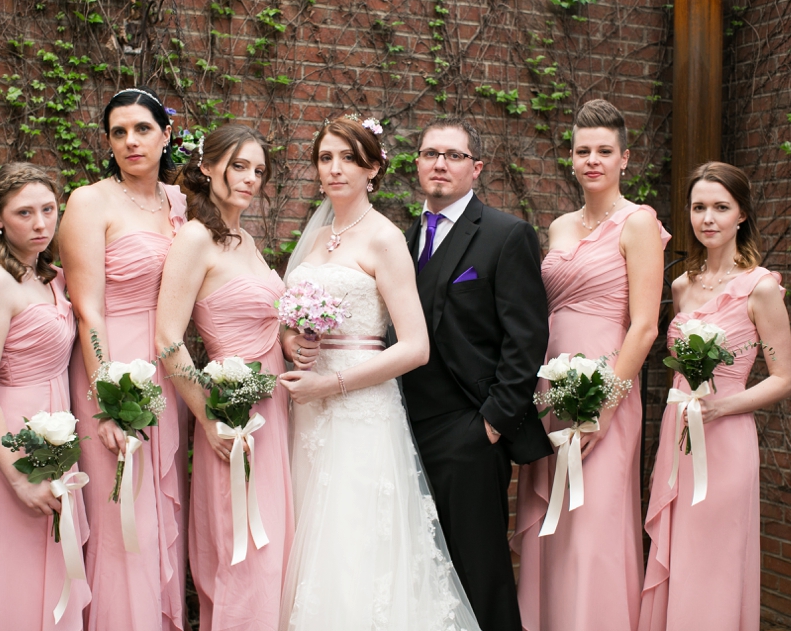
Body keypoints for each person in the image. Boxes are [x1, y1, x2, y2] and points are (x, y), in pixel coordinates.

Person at [278, 116, 482, 630]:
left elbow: (416, 347)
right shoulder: (318, 235)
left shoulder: (385, 238)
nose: (335, 169)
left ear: (373, 168)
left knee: (354, 540)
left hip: (360, 410)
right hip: (308, 411)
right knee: (310, 534)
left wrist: (333, 383)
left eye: (348, 158)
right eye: (325, 158)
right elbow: (286, 318)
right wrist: (293, 342)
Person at [511, 99, 670, 631]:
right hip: (552, 390)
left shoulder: (639, 222)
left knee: (594, 522)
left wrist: (602, 406)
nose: (593, 160)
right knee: (553, 528)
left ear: (626, 158)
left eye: (605, 150)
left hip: (607, 391)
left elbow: (645, 325)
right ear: (571, 159)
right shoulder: (558, 227)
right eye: (583, 151)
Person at [399, 118, 552, 631]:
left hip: (468, 430)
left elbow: (526, 338)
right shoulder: (405, 238)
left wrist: (491, 424)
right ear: (417, 164)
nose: (440, 164)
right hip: (401, 432)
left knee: (478, 571)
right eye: (429, 154)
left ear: (476, 168)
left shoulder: (507, 236)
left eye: (454, 155)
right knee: (420, 570)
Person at [639, 162, 791, 631]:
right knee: (680, 553)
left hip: (725, 440)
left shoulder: (761, 288)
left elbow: (783, 377)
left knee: (716, 559)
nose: (708, 218)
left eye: (720, 207)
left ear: (741, 214)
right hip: (678, 436)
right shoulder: (681, 287)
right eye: (699, 207)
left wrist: (722, 406)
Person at [155, 124, 293, 630]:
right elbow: (169, 340)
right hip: (232, 418)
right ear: (208, 167)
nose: (251, 179)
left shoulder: (247, 240)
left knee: (275, 546)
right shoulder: (195, 238)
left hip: (274, 413)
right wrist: (210, 418)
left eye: (259, 170)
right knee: (244, 552)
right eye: (239, 166)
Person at [61, 87, 188, 631]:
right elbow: (87, 312)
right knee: (120, 516)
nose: (131, 141)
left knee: (155, 512)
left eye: (142, 128)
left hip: (164, 370)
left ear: (166, 135)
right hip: (108, 368)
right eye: (119, 131)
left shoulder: (181, 203)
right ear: (108, 142)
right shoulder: (90, 201)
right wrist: (107, 402)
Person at [0, 163, 90, 630]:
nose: (41, 223)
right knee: (5, 579)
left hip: (53, 436)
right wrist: (18, 478)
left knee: (48, 571)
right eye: (24, 213)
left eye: (48, 209)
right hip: (5, 444)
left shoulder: (50, 276)